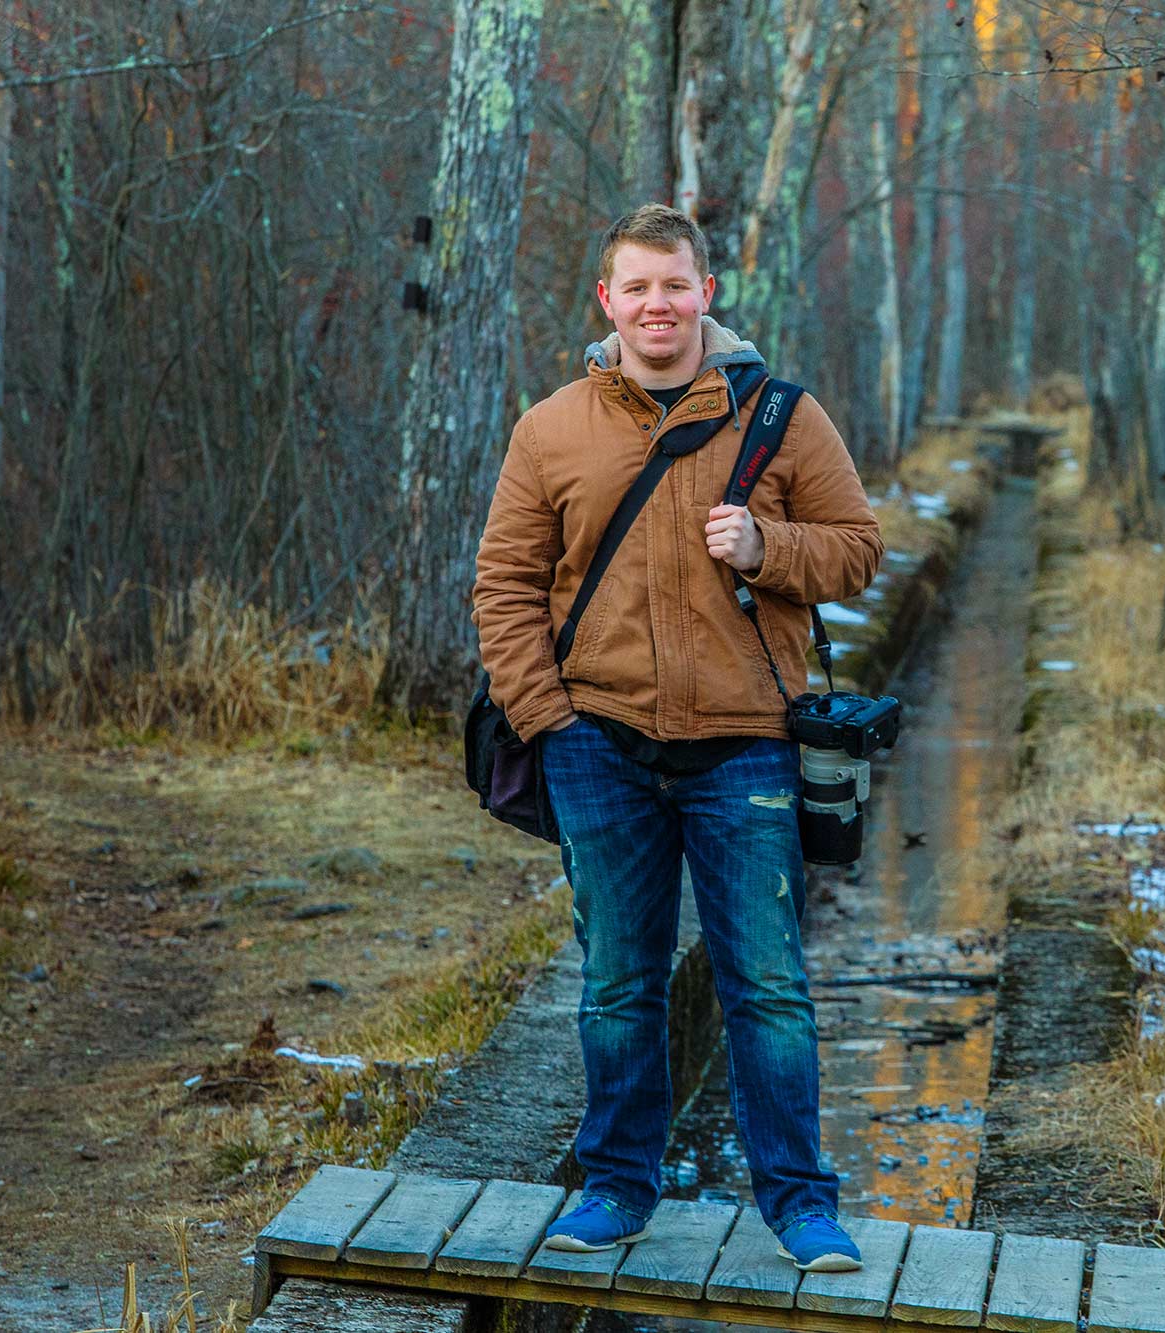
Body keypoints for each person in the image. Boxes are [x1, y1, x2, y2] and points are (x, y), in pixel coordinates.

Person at [471, 204, 882, 1272]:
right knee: (616, 980)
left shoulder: (783, 417)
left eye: (676, 285)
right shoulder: (551, 426)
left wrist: (764, 545)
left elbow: (855, 550)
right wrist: (545, 719)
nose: (658, 306)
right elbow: (505, 585)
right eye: (637, 288)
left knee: (770, 986)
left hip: (746, 744)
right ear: (607, 302)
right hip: (596, 744)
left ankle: (798, 1203)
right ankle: (615, 1188)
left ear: (709, 293)